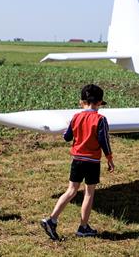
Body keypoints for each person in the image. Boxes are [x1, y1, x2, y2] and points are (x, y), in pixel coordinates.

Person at [40, 84, 115, 240]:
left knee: (71, 191)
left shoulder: (75, 117)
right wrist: (109, 158)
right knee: (89, 193)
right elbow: (104, 140)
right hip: (92, 161)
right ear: (100, 103)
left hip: (77, 160)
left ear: (82, 102)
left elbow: (67, 137)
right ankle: (83, 227)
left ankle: (52, 219)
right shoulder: (100, 119)